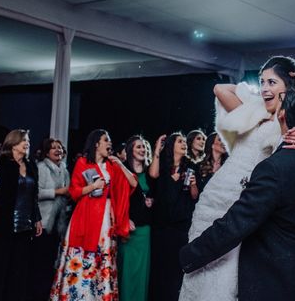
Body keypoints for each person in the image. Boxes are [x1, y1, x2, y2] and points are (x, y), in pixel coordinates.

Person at [179, 56, 295, 301]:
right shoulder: (254, 110)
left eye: (272, 82)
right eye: (262, 82)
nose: (265, 88)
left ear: (290, 82)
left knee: (228, 281)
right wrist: (253, 96)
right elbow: (219, 89)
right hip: (221, 201)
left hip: (252, 206)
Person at [50, 129, 137, 301]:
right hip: (85, 215)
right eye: (106, 140)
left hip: (105, 218)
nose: (109, 143)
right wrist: (93, 187)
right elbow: (74, 192)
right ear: (96, 143)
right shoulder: (83, 162)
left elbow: (132, 182)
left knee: (103, 257)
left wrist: (120, 164)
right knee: (82, 258)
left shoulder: (112, 165)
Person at [0, 129, 42, 301]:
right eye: (24, 140)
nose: (28, 143)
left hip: (25, 228)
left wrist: (37, 218)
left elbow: (33, 197)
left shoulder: (31, 166)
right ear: (13, 143)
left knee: (19, 273)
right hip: (1, 227)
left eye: (28, 140)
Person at [149, 132, 199, 301]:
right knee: (160, 267)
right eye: (180, 141)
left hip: (180, 227)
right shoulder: (162, 166)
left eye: (185, 142)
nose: (184, 144)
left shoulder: (191, 167)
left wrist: (193, 185)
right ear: (172, 146)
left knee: (175, 269)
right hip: (161, 226)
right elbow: (153, 175)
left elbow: (194, 196)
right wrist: (157, 149)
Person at [27, 138, 70, 301]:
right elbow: (36, 193)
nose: (58, 150)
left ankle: (47, 294)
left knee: (52, 263)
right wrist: (58, 191)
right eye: (53, 148)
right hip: (43, 223)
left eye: (59, 148)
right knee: (40, 264)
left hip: (59, 224)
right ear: (46, 152)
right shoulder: (41, 168)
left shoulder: (64, 170)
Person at [119, 135, 154, 301]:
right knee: (125, 273)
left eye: (144, 147)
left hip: (144, 230)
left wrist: (152, 200)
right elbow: (116, 199)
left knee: (141, 274)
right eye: (138, 147)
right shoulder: (122, 170)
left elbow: (156, 196)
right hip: (127, 230)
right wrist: (124, 219)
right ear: (130, 150)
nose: (142, 150)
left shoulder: (150, 173)